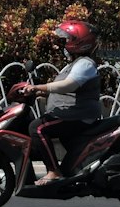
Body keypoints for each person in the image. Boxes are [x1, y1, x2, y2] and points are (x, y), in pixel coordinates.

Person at [22, 19, 101, 185]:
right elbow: (67, 91)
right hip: (73, 114)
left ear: (79, 42)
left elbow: (68, 85)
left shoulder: (84, 64)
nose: (64, 44)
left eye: (68, 40)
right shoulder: (74, 64)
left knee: (37, 127)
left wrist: (38, 87)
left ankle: (53, 171)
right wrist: (40, 94)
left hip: (79, 116)